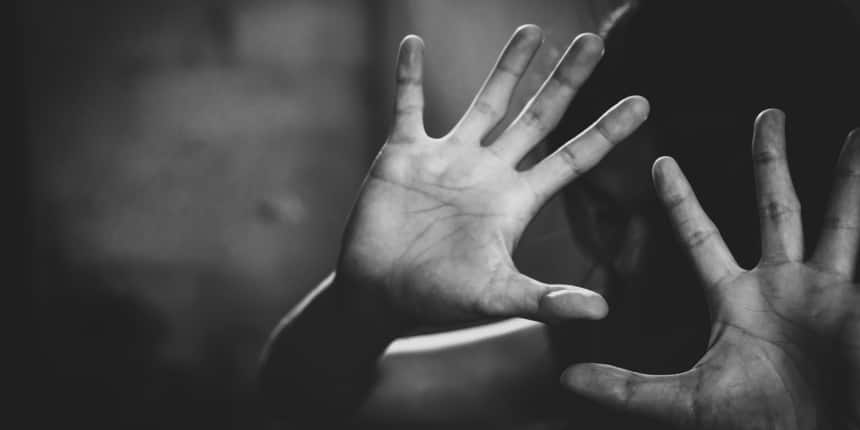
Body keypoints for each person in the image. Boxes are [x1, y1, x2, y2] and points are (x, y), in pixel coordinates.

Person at [259, 1, 860, 428]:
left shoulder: (832, 368)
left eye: (677, 222)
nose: (624, 256)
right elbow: (301, 402)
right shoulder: (604, 338)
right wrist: (362, 304)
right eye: (602, 211)